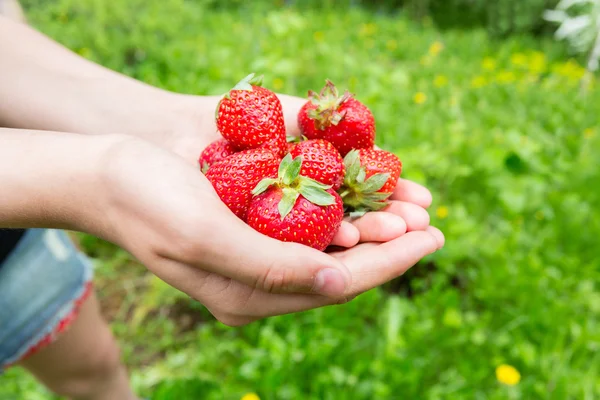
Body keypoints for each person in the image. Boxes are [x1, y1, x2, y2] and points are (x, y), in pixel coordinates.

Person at [0, 5, 445, 400]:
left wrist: (158, 124)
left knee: (92, 370)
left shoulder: (277, 160)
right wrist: (95, 181)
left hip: (17, 248)